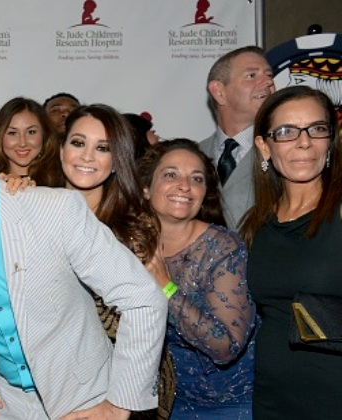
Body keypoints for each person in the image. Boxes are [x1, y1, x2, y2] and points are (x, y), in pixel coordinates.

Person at [0, 96, 167, 419]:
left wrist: (120, 403)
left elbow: (144, 299)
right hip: (2, 405)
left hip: (85, 398)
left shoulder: (57, 209)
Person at [60, 104, 175, 418]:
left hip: (123, 383)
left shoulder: (135, 226)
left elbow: (144, 314)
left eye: (102, 148)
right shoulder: (32, 213)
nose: (87, 156)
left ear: (116, 161)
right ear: (61, 149)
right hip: (54, 381)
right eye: (78, 143)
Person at [239, 86, 342, 419]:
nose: (304, 142)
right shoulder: (258, 222)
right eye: (286, 132)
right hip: (272, 397)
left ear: (330, 140)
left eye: (317, 129)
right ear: (264, 146)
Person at [138, 139, 257, 419]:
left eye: (196, 178)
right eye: (171, 175)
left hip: (230, 405)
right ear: (146, 188)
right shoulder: (128, 243)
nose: (185, 186)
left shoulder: (223, 248)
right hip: (160, 401)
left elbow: (226, 346)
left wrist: (165, 287)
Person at [200, 46, 275, 231]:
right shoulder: (194, 154)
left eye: (269, 75)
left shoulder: (284, 151)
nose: (267, 81)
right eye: (252, 75)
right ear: (219, 92)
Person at [0, 97, 62, 187]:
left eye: (31, 132)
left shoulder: (63, 180)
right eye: (12, 133)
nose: (22, 143)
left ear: (45, 134)